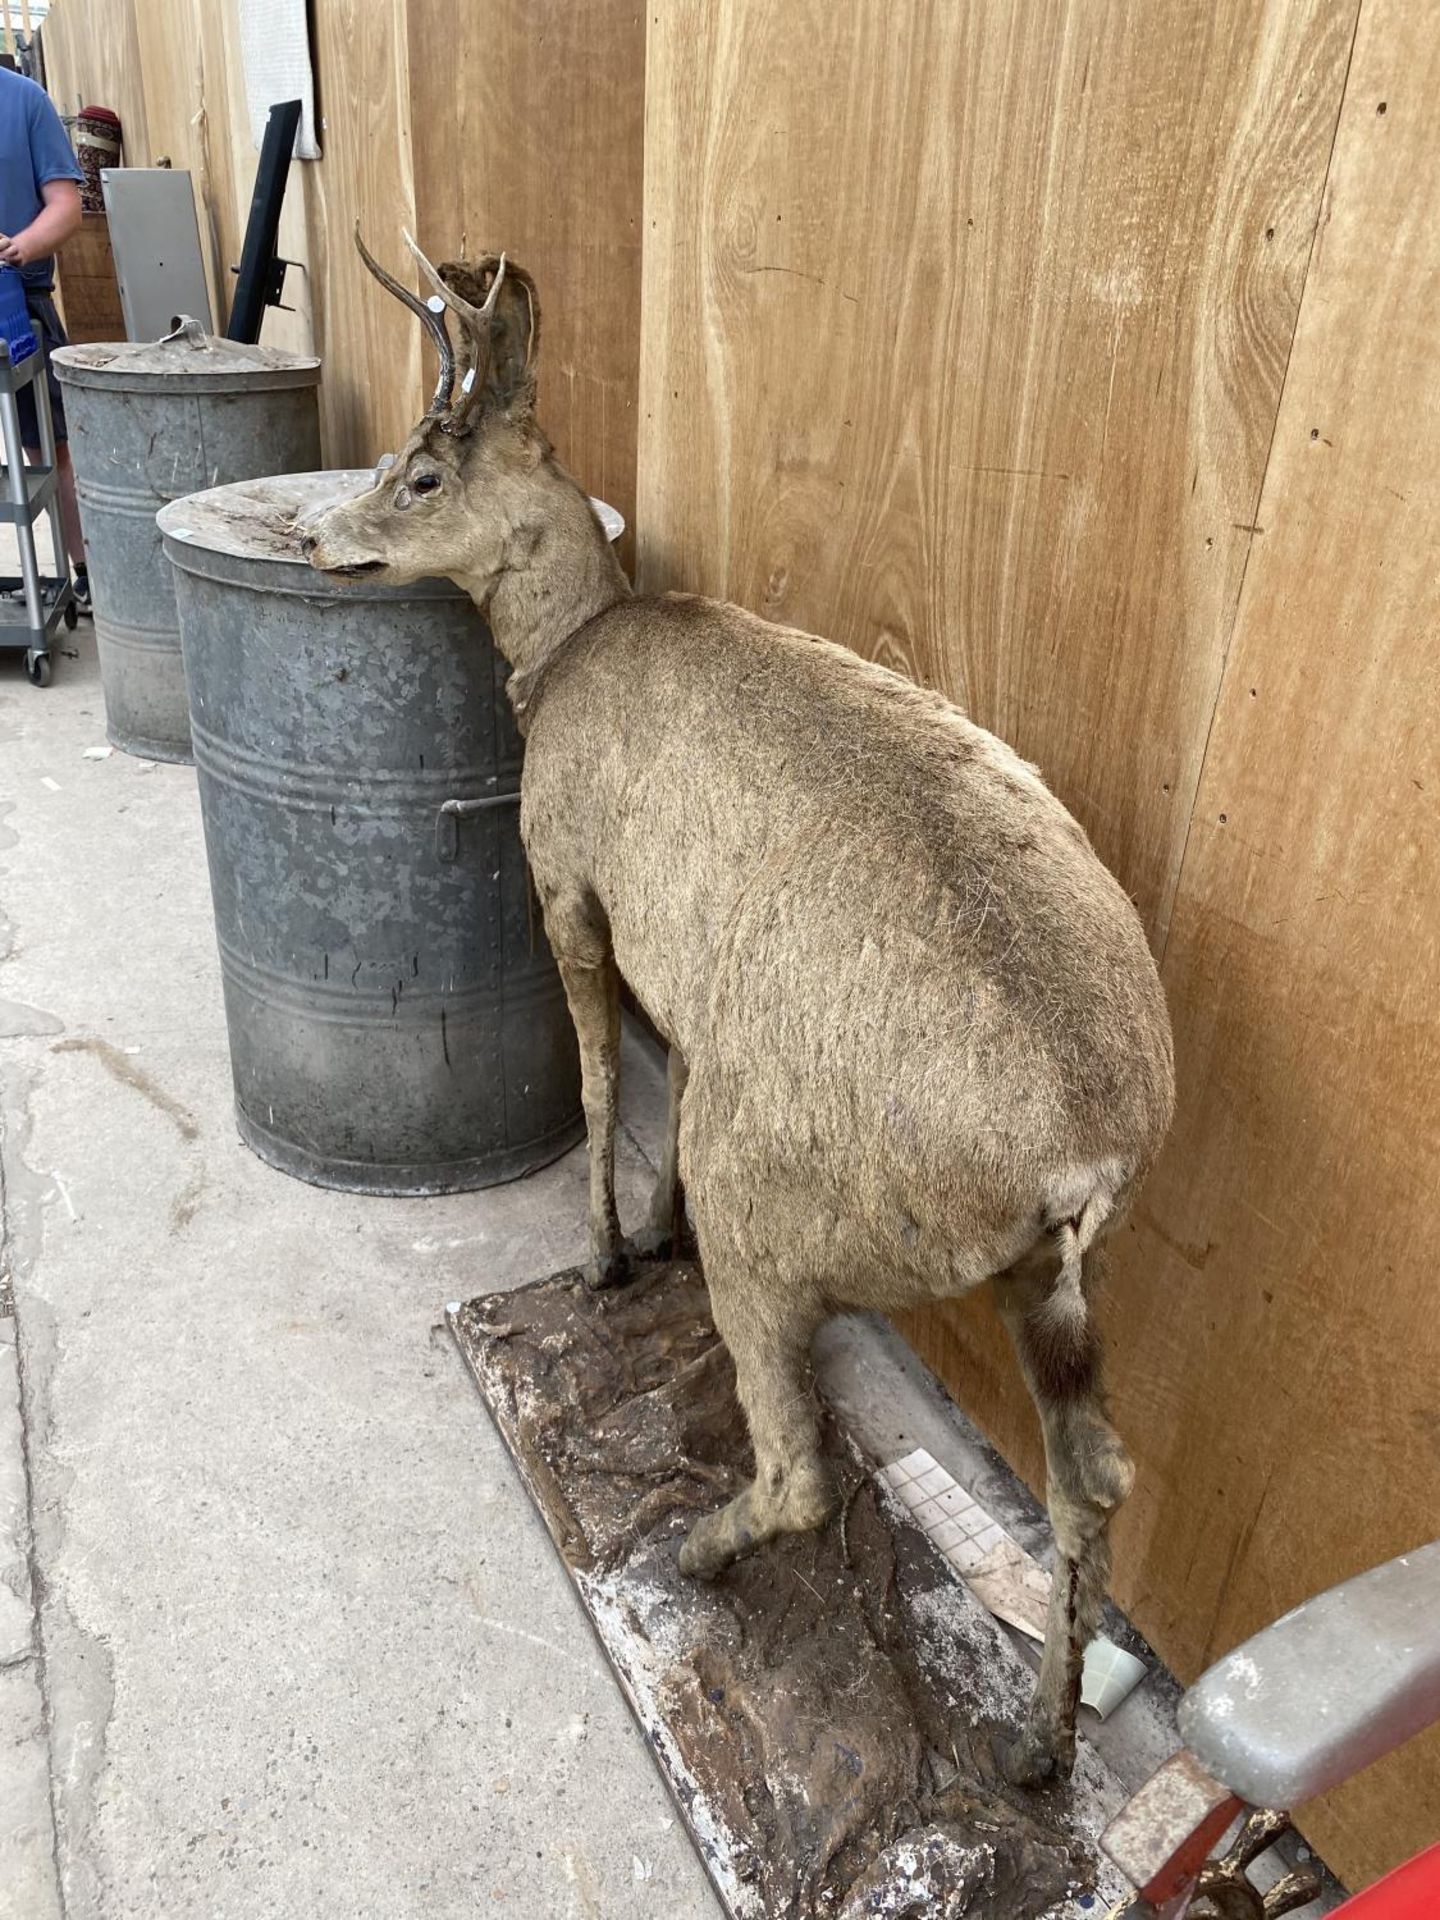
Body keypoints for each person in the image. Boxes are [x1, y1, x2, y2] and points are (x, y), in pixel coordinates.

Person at [0, 65, 87, 605]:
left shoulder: (25, 101)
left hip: (17, 299)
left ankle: (85, 571)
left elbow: (66, 205)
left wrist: (20, 247)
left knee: (50, 446)